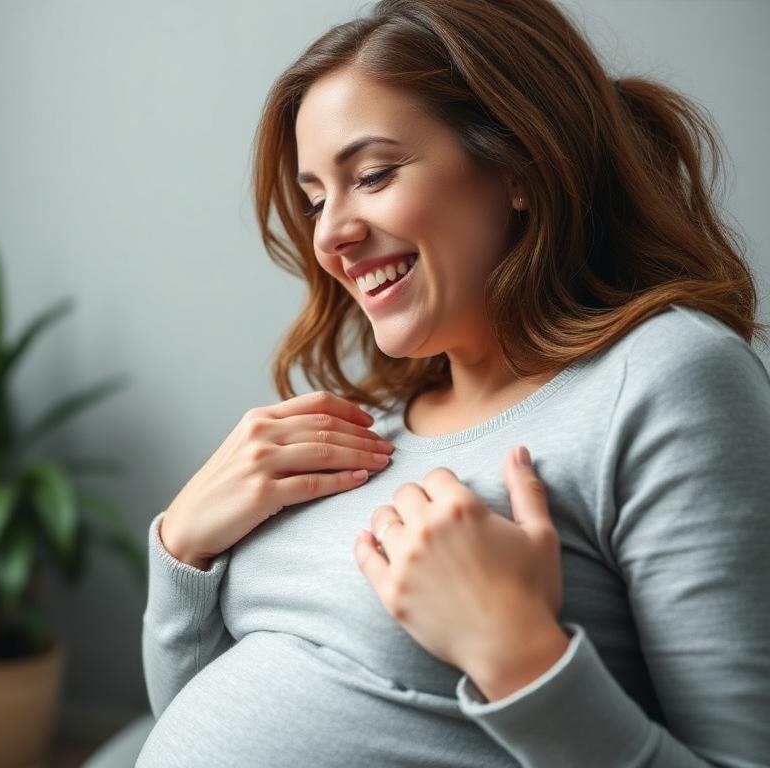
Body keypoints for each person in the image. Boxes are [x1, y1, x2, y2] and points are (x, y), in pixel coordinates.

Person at [135, 0, 770, 765]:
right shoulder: (368, 430)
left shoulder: (665, 379)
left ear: (521, 167)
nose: (330, 235)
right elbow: (188, 712)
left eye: (372, 174)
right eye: (313, 199)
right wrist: (183, 553)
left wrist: (517, 656)